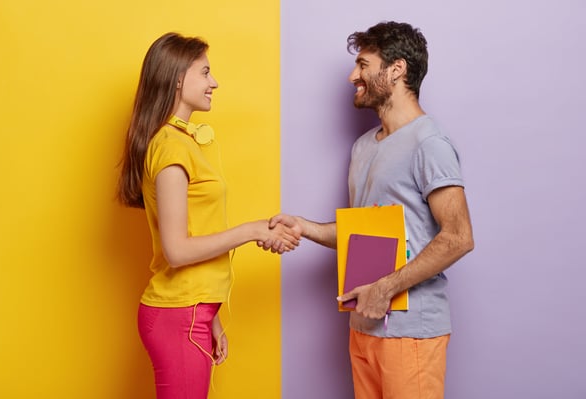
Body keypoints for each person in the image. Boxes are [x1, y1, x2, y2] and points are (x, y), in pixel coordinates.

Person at [263, 21, 474, 399]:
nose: (352, 75)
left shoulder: (430, 143)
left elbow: (458, 238)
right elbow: (364, 236)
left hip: (412, 332)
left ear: (396, 70)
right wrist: (304, 226)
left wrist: (385, 288)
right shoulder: (363, 147)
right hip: (363, 327)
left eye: (363, 64)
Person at [116, 32, 299, 399]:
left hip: (191, 313)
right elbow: (178, 251)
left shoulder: (182, 143)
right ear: (178, 78)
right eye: (205, 72)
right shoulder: (170, 147)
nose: (214, 82)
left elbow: (198, 232)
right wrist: (251, 230)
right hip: (178, 317)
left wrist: (212, 318)